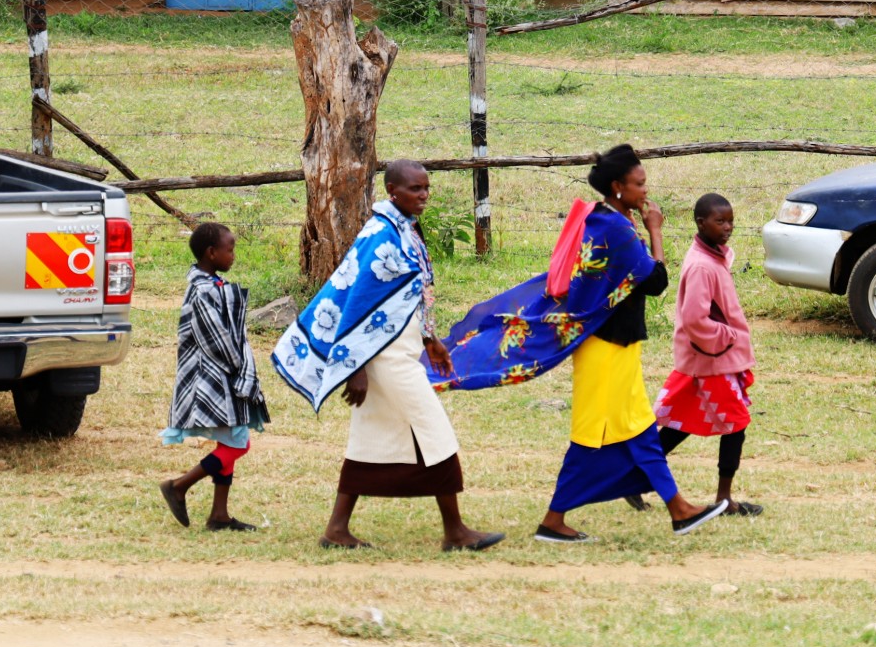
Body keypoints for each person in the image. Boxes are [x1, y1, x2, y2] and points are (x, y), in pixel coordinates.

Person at [271, 159, 503, 553]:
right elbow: (356, 304)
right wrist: (356, 368)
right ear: (392, 190)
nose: (424, 195)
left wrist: (430, 339)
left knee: (370, 440)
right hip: (383, 358)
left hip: (399, 350)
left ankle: (336, 530)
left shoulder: (404, 230)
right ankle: (456, 532)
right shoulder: (381, 235)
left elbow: (414, 293)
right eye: (415, 189)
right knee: (436, 433)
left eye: (426, 188)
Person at [533, 145, 726, 542]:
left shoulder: (604, 219)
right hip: (607, 347)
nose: (645, 191)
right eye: (639, 184)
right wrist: (655, 228)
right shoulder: (618, 230)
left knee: (637, 428)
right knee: (597, 433)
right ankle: (554, 521)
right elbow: (655, 282)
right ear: (618, 186)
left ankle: (678, 509)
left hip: (610, 344)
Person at [650, 193, 761, 517]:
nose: (727, 227)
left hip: (711, 358)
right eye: (720, 221)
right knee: (736, 423)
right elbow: (695, 319)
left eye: (730, 221)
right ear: (701, 223)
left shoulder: (713, 257)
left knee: (681, 423)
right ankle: (724, 499)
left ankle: (635, 477)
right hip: (712, 360)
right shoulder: (701, 265)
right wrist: (729, 336)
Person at [159, 222, 269, 532]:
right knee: (238, 444)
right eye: (230, 249)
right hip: (213, 377)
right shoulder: (203, 290)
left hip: (219, 376)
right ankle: (179, 486)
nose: (234, 255)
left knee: (232, 438)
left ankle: (219, 515)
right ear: (212, 253)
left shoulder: (210, 284)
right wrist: (241, 368)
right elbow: (216, 339)